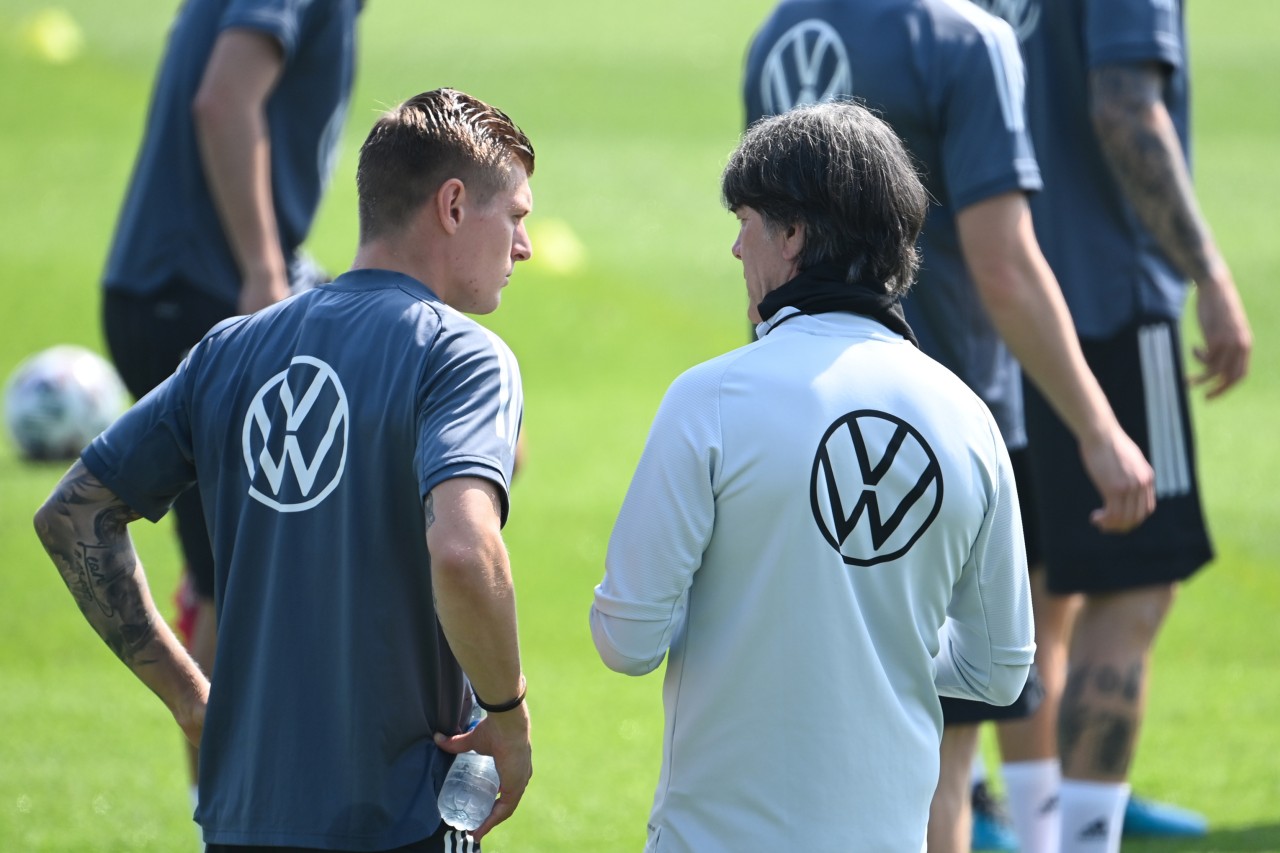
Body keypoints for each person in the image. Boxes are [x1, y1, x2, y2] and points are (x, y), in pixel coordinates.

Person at [36, 88, 536, 852]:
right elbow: (465, 551)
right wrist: (508, 714)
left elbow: (74, 515)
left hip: (243, 817)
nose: (525, 247)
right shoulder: (460, 354)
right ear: (455, 205)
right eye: (518, 217)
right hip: (396, 821)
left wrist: (189, 699)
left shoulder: (229, 351)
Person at [741, 2, 1155, 850]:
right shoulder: (968, 39)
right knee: (940, 751)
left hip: (800, 424)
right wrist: (1098, 426)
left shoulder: (778, 35)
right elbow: (1002, 261)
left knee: (835, 739)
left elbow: (761, 253)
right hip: (945, 430)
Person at [591, 100, 1035, 852]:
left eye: (747, 221)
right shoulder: (968, 419)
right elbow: (1000, 671)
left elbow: (627, 640)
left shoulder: (710, 399)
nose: (737, 249)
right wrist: (872, 638)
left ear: (793, 234)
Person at [985, 1, 1252, 851]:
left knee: (1033, 584)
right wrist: (1205, 271)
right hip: (1108, 302)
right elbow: (1124, 104)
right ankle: (1085, 831)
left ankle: (1038, 825)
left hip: (1000, 300)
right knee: (1135, 586)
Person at [98, 0, 362, 807]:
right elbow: (224, 97)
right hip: (203, 290)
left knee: (241, 577)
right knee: (244, 590)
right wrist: (262, 275)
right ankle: (233, 818)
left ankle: (234, 812)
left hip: (182, 284)